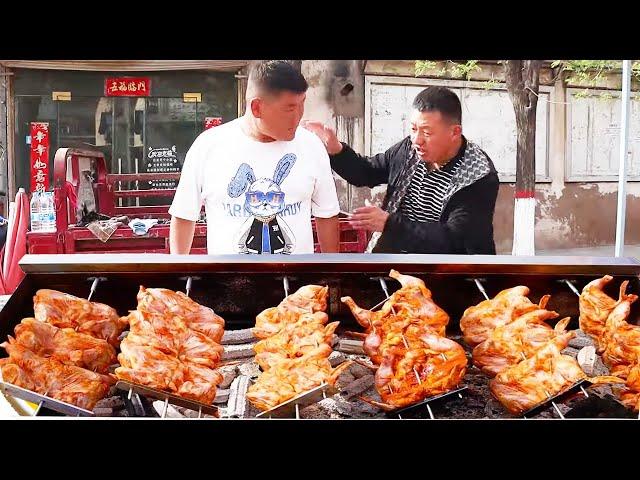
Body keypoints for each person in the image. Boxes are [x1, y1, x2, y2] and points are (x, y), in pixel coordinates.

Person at [169, 60, 340, 255]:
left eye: (302, 104)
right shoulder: (208, 146)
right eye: (290, 108)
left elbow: (327, 215)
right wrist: (179, 274)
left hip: (295, 283)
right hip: (225, 282)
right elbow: (184, 215)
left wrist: (333, 277)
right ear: (257, 108)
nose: (299, 116)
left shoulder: (311, 146)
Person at [304, 85, 499, 254]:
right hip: (396, 259)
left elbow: (454, 240)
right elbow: (368, 171)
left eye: (427, 132)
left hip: (448, 273)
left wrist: (390, 225)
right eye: (413, 129)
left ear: (454, 132)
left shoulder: (478, 175)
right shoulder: (409, 149)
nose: (417, 140)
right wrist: (336, 149)